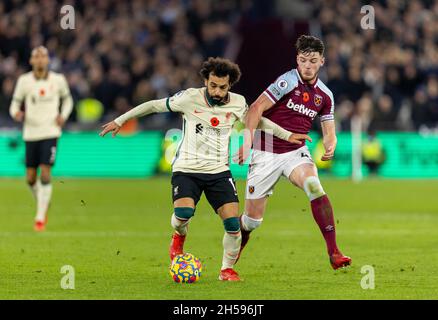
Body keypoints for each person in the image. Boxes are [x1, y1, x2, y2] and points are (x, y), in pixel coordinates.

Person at [100, 57, 311, 281]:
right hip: (187, 168)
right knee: (183, 215)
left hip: (219, 171)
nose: (217, 92)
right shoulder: (189, 97)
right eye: (213, 86)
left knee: (232, 224)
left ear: (230, 85)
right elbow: (153, 105)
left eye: (222, 87)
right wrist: (121, 119)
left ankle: (226, 270)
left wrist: (288, 135)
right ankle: (178, 238)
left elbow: (258, 121)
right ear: (206, 81)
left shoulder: (238, 103)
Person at [235, 35, 352, 270]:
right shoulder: (286, 82)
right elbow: (257, 107)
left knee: (314, 186)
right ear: (297, 60)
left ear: (322, 62)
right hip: (265, 151)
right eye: (302, 60)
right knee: (251, 221)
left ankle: (334, 252)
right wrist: (247, 138)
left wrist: (331, 143)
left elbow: (329, 130)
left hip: (295, 151)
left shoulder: (325, 95)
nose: (307, 66)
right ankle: (234, 252)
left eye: (312, 61)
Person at [9, 46, 73, 232]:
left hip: (51, 132)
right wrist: (16, 114)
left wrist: (63, 115)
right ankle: (43, 202)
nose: (39, 59)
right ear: (31, 61)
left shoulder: (58, 80)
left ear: (47, 60)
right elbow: (15, 103)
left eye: (43, 56)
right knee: (30, 178)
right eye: (36, 56)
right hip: (30, 133)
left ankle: (39, 217)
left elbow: (68, 100)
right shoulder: (24, 81)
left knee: (45, 174)